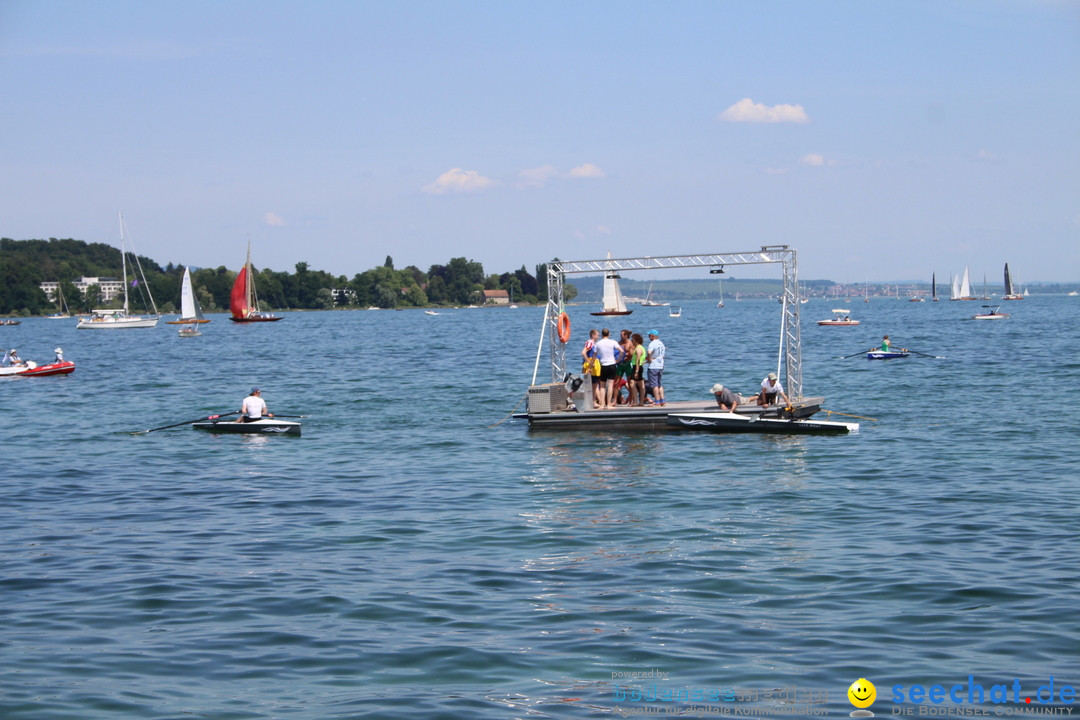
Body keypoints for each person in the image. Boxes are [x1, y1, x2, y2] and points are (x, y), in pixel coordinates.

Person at [593, 328, 623, 409]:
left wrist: (591, 365)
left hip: (604, 365)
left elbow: (594, 355)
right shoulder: (613, 342)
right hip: (612, 364)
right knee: (610, 385)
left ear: (602, 335)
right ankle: (609, 404)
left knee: (602, 386)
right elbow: (622, 351)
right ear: (608, 334)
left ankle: (602, 404)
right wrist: (618, 360)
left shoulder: (598, 343)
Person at [646, 329, 666, 406]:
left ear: (652, 336)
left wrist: (649, 358)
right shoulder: (661, 343)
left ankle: (657, 401)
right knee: (659, 384)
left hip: (654, 366)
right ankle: (662, 400)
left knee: (654, 385)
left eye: (649, 335)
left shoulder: (652, 343)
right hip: (661, 365)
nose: (648, 337)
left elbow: (649, 352)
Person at [581, 329, 601, 406]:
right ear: (593, 335)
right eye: (597, 335)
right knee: (592, 384)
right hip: (591, 364)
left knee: (595, 384)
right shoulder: (590, 343)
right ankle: (593, 401)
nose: (598, 336)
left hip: (594, 363)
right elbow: (583, 352)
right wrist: (589, 362)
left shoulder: (594, 343)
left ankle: (596, 401)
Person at [629, 333, 647, 406]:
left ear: (636, 340)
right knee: (641, 384)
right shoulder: (641, 347)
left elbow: (638, 360)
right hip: (639, 367)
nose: (631, 341)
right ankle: (641, 401)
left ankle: (636, 401)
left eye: (632, 340)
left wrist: (636, 371)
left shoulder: (639, 348)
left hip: (637, 367)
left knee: (632, 383)